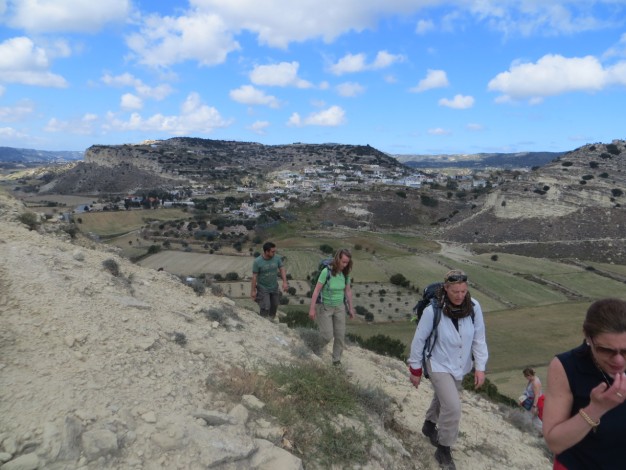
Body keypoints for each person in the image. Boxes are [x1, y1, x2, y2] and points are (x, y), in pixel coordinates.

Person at [407, 269, 488, 470]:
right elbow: (419, 341)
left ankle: (428, 425)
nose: (460, 296)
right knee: (452, 406)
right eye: (455, 292)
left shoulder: (474, 307)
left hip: (460, 365)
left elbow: (479, 339)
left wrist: (480, 367)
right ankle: (443, 449)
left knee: (443, 399)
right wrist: (415, 369)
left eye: (463, 291)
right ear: (446, 288)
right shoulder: (432, 311)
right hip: (438, 363)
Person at [543, 298, 626, 470]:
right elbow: (555, 443)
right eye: (606, 350)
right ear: (588, 337)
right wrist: (597, 408)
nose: (618, 360)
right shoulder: (568, 366)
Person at [308, 248, 356, 366]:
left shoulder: (345, 274)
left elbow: (348, 291)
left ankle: (336, 361)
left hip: (339, 307)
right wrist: (312, 308)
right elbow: (316, 290)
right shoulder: (326, 272)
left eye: (347, 262)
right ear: (337, 259)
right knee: (327, 336)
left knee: (340, 335)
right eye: (343, 262)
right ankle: (314, 347)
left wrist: (351, 308)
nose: (345, 265)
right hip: (325, 307)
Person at [250, 242, 288, 321]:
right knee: (266, 306)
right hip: (263, 288)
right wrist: (253, 291)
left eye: (275, 251)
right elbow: (254, 277)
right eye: (272, 251)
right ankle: (263, 322)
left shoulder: (277, 258)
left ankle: (271, 321)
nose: (274, 253)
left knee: (274, 305)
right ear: (266, 252)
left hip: (274, 287)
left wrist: (284, 282)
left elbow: (282, 269)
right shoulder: (257, 262)